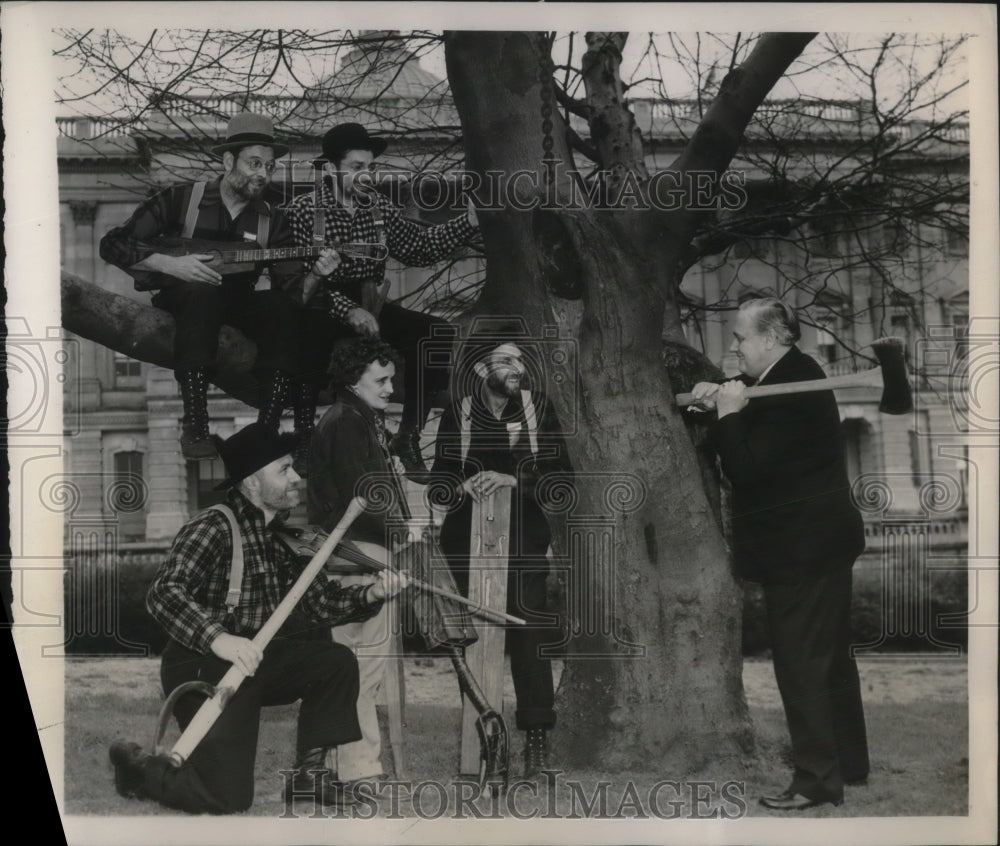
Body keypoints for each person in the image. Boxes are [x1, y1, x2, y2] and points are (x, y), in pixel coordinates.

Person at [108, 422, 408, 814]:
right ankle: (141, 770)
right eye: (284, 469)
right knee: (228, 799)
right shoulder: (213, 525)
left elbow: (320, 604)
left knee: (334, 661)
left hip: (256, 660)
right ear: (252, 482)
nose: (297, 477)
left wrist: (372, 593)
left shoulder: (283, 540)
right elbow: (164, 593)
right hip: (201, 666)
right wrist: (219, 639)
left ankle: (308, 777)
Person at [688, 296, 869, 811]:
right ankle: (850, 765)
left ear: (769, 339)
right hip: (822, 541)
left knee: (802, 663)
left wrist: (725, 414)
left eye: (741, 338)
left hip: (802, 549)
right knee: (831, 659)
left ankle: (816, 781)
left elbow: (746, 467)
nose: (734, 347)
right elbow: (752, 399)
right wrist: (721, 395)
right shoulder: (790, 374)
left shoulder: (795, 388)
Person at [100, 113, 340, 460]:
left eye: (269, 167)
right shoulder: (182, 199)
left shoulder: (272, 220)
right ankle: (196, 423)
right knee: (202, 294)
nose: (262, 173)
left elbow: (293, 294)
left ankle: (268, 426)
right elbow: (113, 244)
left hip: (239, 302)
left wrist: (318, 274)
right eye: (254, 163)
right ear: (229, 160)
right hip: (185, 297)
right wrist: (170, 264)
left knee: (280, 308)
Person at [283, 122, 479, 475]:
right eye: (357, 168)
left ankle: (408, 436)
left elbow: (419, 248)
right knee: (305, 345)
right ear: (331, 169)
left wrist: (466, 221)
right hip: (320, 304)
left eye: (370, 168)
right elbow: (297, 281)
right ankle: (304, 442)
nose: (366, 176)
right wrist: (348, 310)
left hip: (371, 301)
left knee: (435, 333)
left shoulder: (379, 209)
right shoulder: (302, 210)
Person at [428, 325, 572, 777]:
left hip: (524, 545)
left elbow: (562, 481)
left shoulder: (538, 409)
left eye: (521, 361)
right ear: (480, 368)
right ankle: (484, 741)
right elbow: (439, 483)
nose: (518, 370)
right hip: (464, 547)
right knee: (472, 642)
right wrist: (461, 484)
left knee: (529, 636)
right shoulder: (459, 413)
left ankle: (535, 741)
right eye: (507, 361)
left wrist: (515, 481)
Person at [306, 337, 409, 784]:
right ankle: (358, 770)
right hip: (359, 557)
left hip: (355, 556)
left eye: (391, 379)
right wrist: (403, 531)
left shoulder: (352, 418)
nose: (390, 388)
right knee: (362, 670)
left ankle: (341, 766)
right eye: (381, 379)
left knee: (352, 667)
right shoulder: (348, 422)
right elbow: (361, 499)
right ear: (353, 379)